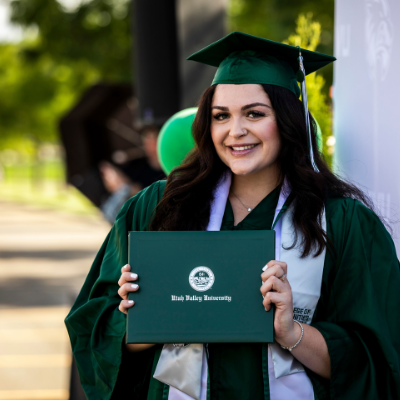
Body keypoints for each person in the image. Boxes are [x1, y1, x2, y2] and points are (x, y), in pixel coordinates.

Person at [65, 32, 400, 400]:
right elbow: (94, 330)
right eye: (220, 116)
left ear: (288, 120)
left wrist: (292, 333)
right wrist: (139, 319)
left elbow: (376, 360)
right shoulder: (159, 206)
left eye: (255, 114)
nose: (235, 131)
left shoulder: (341, 222)